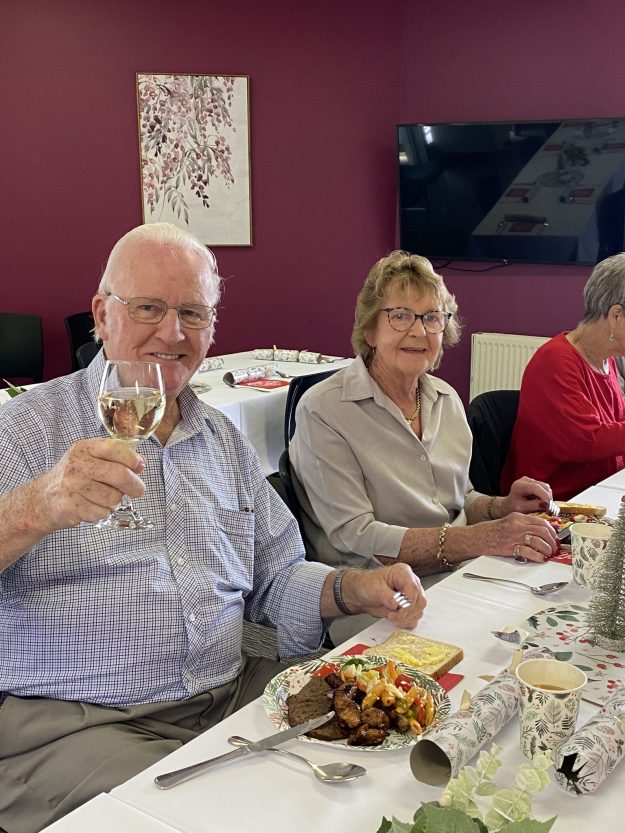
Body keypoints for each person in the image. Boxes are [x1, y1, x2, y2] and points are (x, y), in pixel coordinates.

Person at [0, 224, 425, 833]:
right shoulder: (24, 427)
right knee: (221, 821)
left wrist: (353, 588)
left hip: (231, 691)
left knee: (382, 756)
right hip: (80, 722)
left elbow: (277, 574)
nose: (172, 333)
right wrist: (37, 507)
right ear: (101, 315)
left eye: (193, 313)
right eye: (148, 307)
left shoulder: (222, 439)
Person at [289, 250, 557, 587]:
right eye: (400, 316)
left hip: (459, 572)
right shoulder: (324, 410)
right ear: (370, 330)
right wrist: (480, 539)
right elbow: (356, 538)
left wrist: (502, 507)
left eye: (431, 317)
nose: (419, 331)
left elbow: (458, 501)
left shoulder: (447, 399)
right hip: (380, 592)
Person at [502, 253, 625, 500]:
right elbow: (587, 442)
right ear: (615, 316)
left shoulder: (607, 359)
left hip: (601, 493)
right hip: (559, 504)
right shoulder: (554, 361)